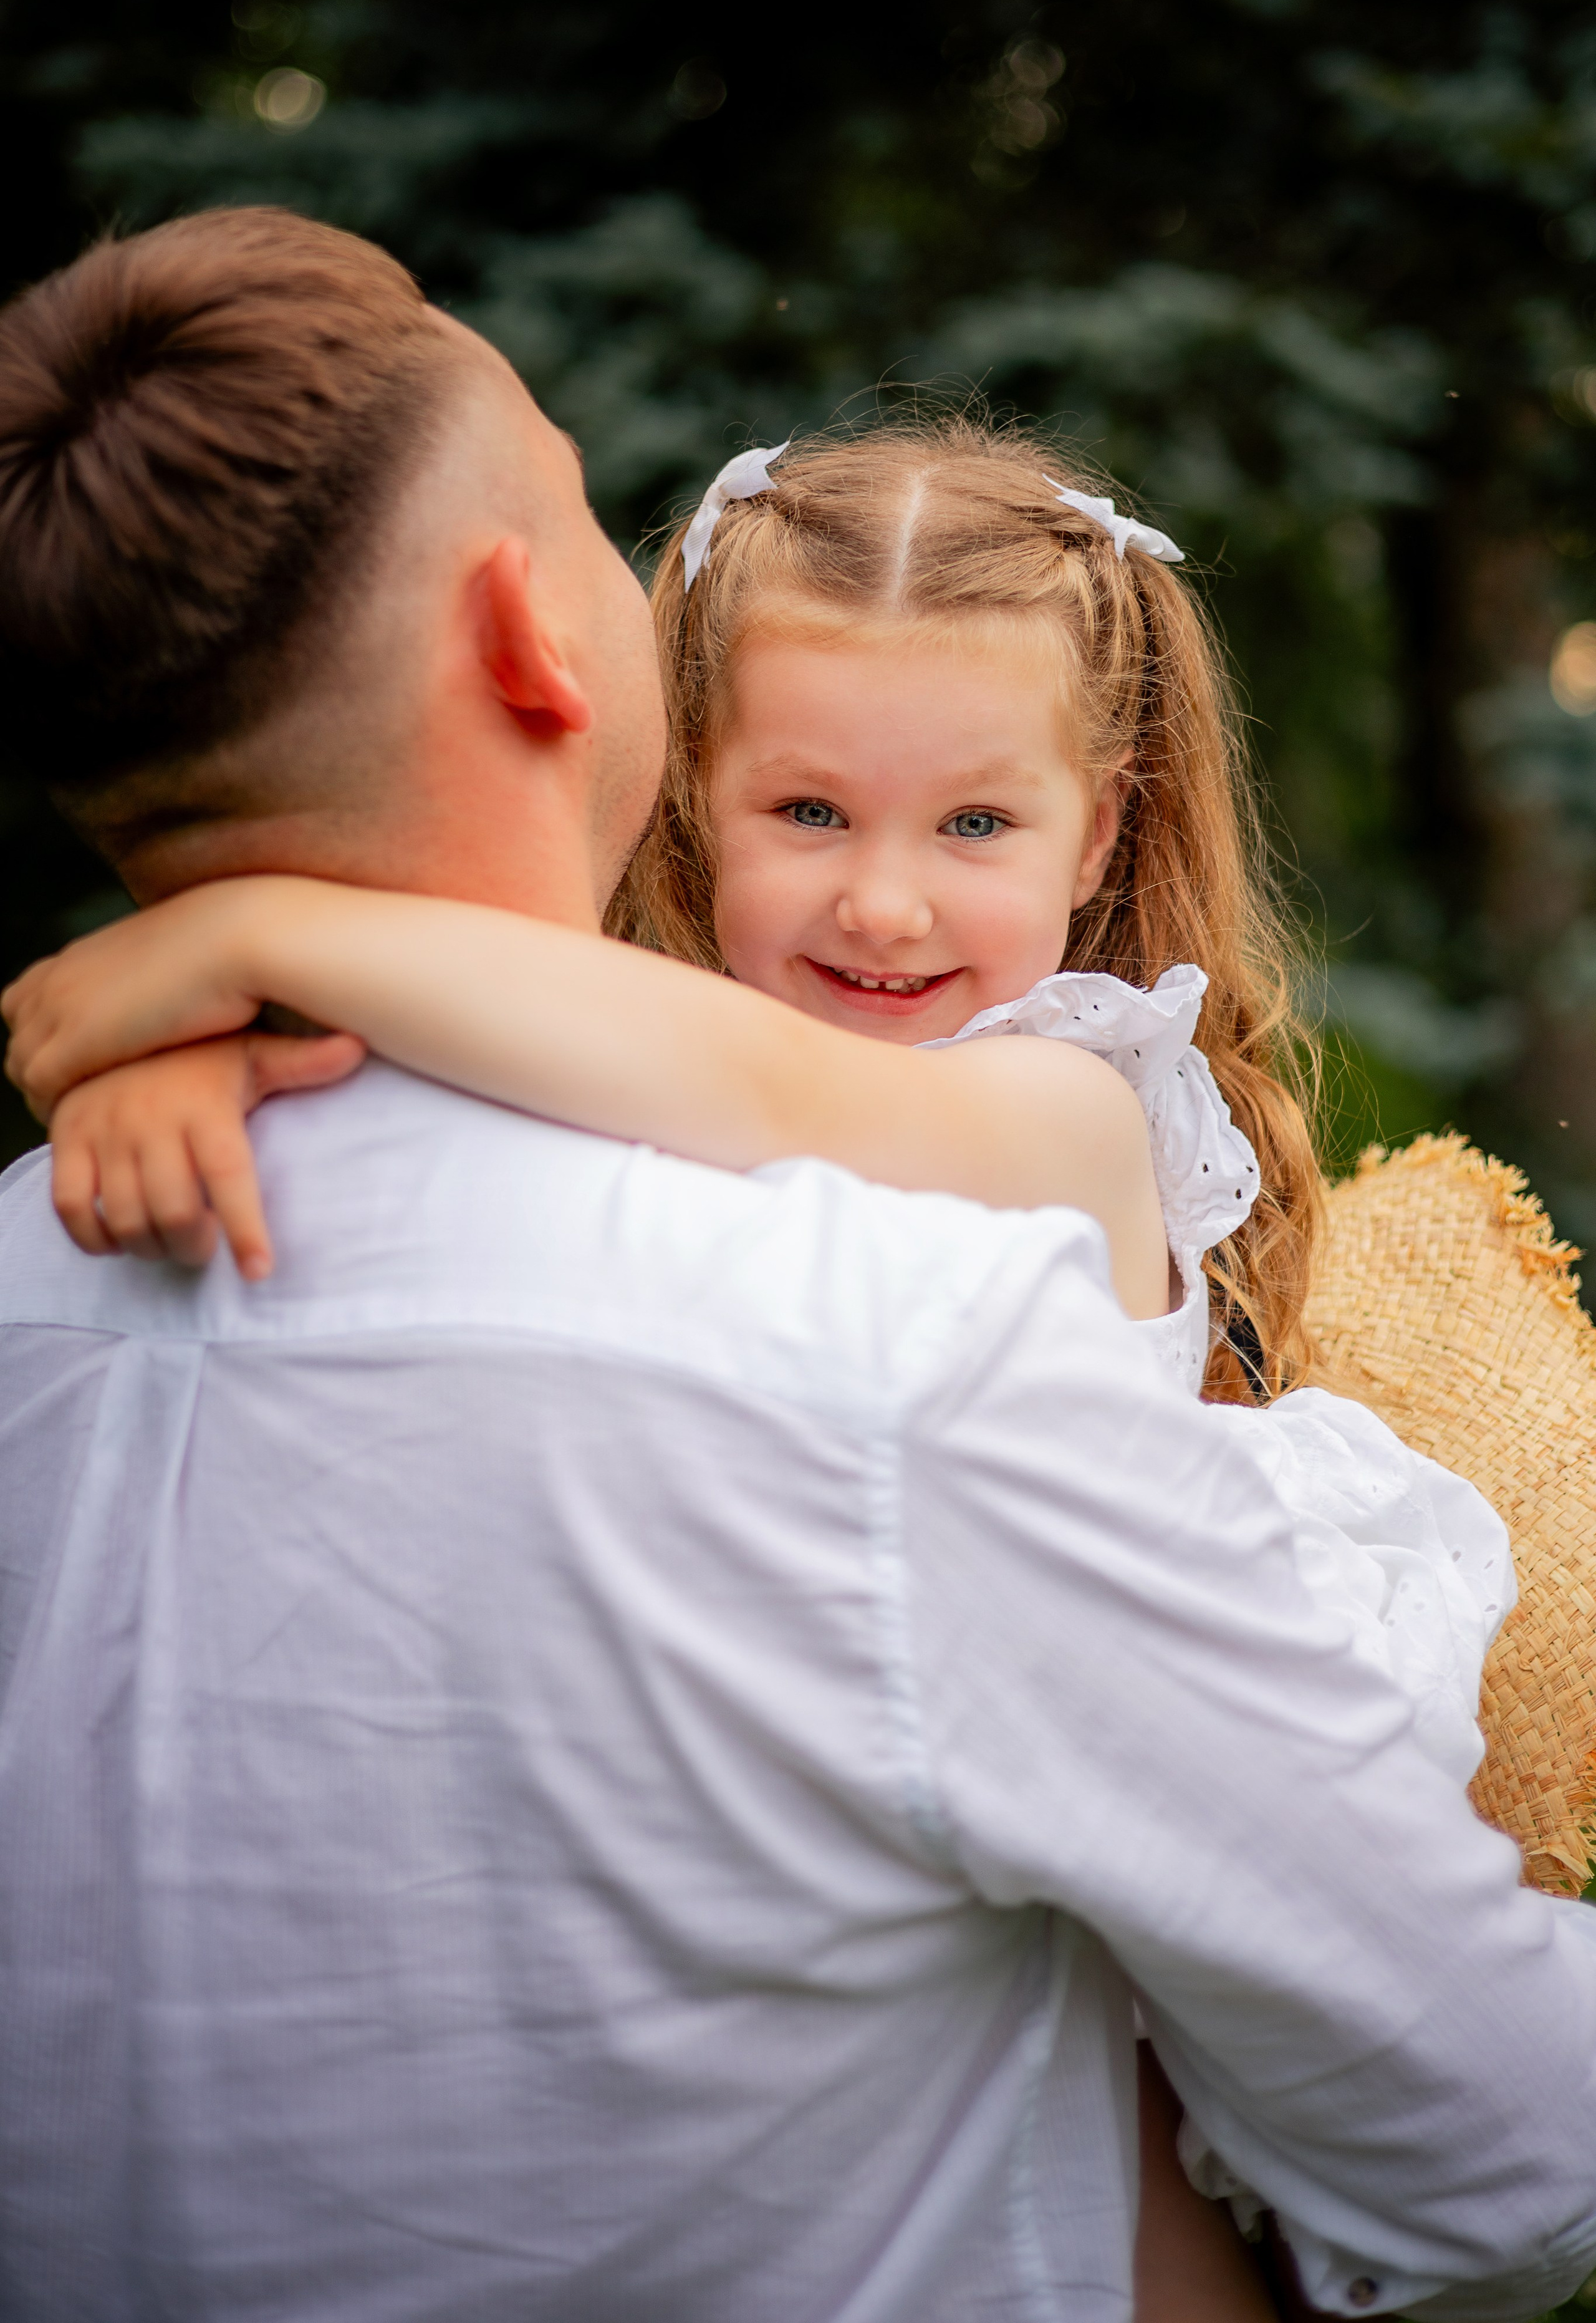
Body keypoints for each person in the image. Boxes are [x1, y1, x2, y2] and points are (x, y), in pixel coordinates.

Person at [1, 209, 1595, 2323]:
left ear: (1099, 828)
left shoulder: (1034, 1101)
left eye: (975, 829)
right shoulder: (840, 1310)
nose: (886, 907)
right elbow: (1511, 2146)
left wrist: (252, 933)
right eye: (813, 814)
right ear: (535, 635)